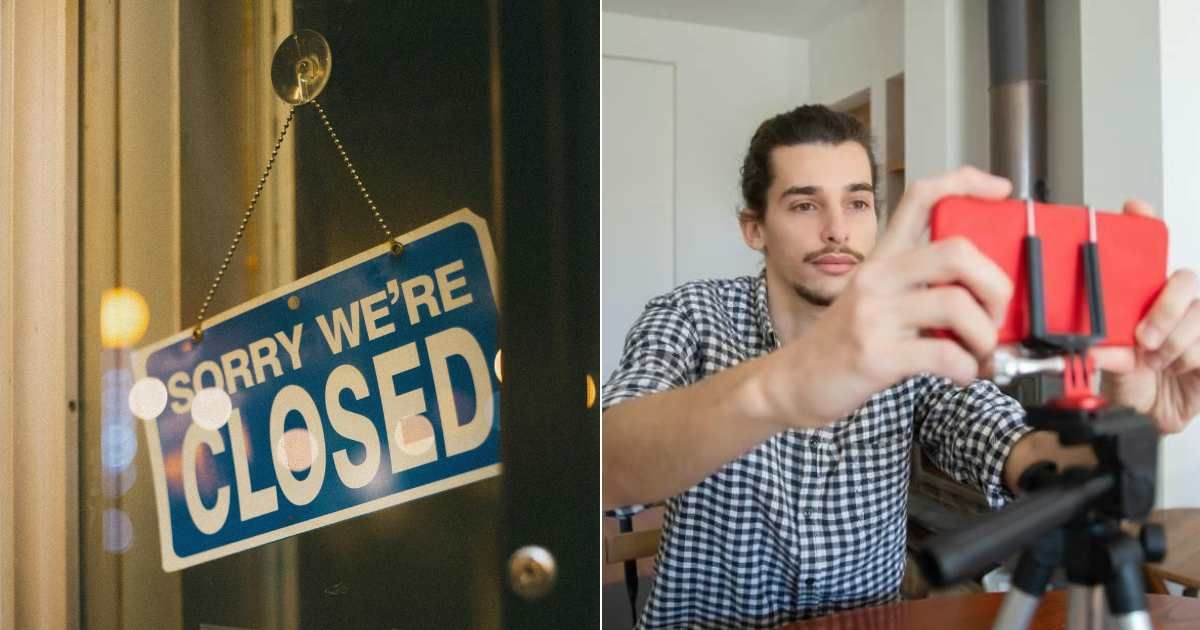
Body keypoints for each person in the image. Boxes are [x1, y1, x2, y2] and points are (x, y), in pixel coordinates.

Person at [602, 105, 1200, 629]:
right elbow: (605, 463)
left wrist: (1125, 417)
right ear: (754, 228)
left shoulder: (917, 341)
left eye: (858, 203)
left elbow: (1019, 450)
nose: (837, 230)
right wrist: (786, 384)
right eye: (805, 203)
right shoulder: (689, 315)